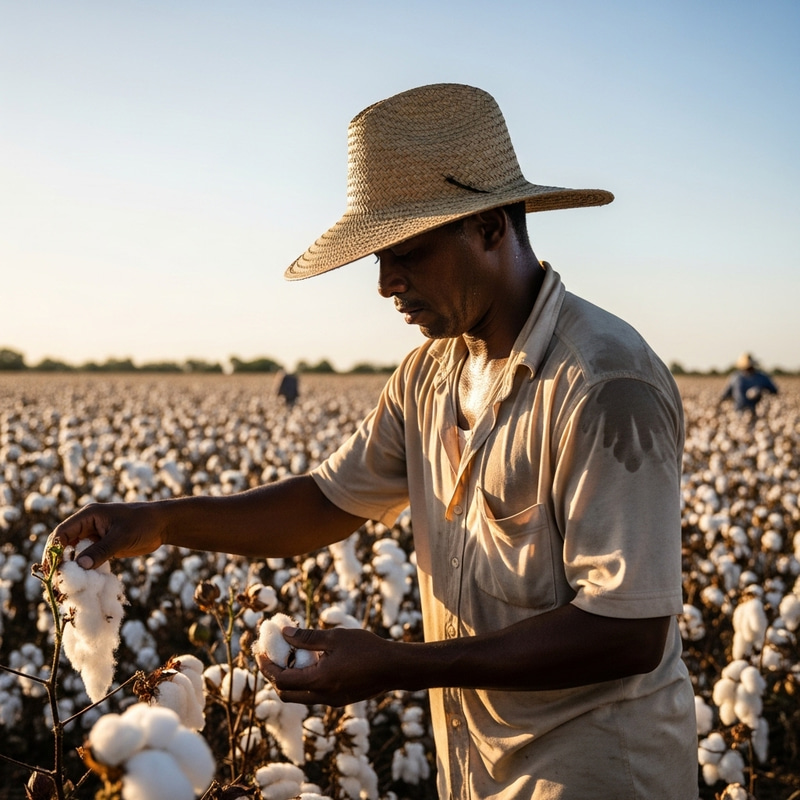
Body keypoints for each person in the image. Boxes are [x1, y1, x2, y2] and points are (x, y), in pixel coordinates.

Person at [52, 84, 698, 799]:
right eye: (378, 259)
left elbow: (627, 631)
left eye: (408, 254)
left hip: (596, 774)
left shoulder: (603, 384)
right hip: (476, 770)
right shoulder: (430, 373)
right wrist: (164, 521)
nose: (387, 283)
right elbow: (328, 501)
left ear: (488, 226)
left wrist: (398, 665)